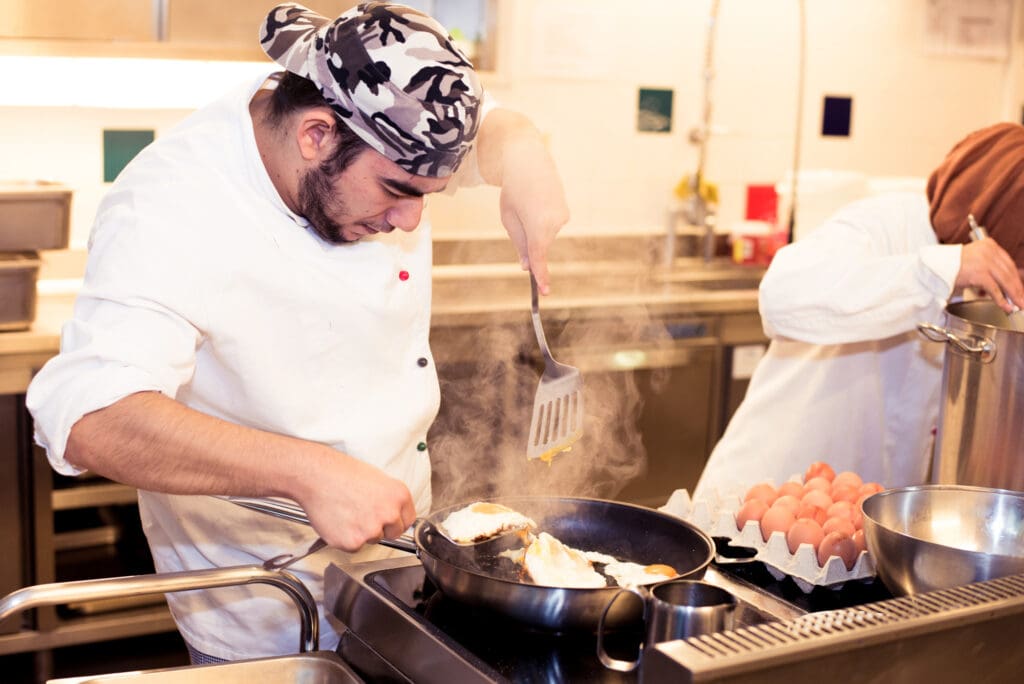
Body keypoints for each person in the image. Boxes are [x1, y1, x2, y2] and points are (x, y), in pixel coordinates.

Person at [25, 2, 569, 663]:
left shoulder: (391, 108)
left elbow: (493, 123)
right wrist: (308, 472)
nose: (410, 221)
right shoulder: (171, 207)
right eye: (397, 190)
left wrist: (526, 153)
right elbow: (87, 414)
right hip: (265, 598)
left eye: (432, 192)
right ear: (315, 135)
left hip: (400, 577)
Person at [694, 122, 1024, 500]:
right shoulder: (881, 225)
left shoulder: (972, 283)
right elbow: (780, 296)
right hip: (758, 504)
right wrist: (941, 271)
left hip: (850, 529)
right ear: (991, 219)